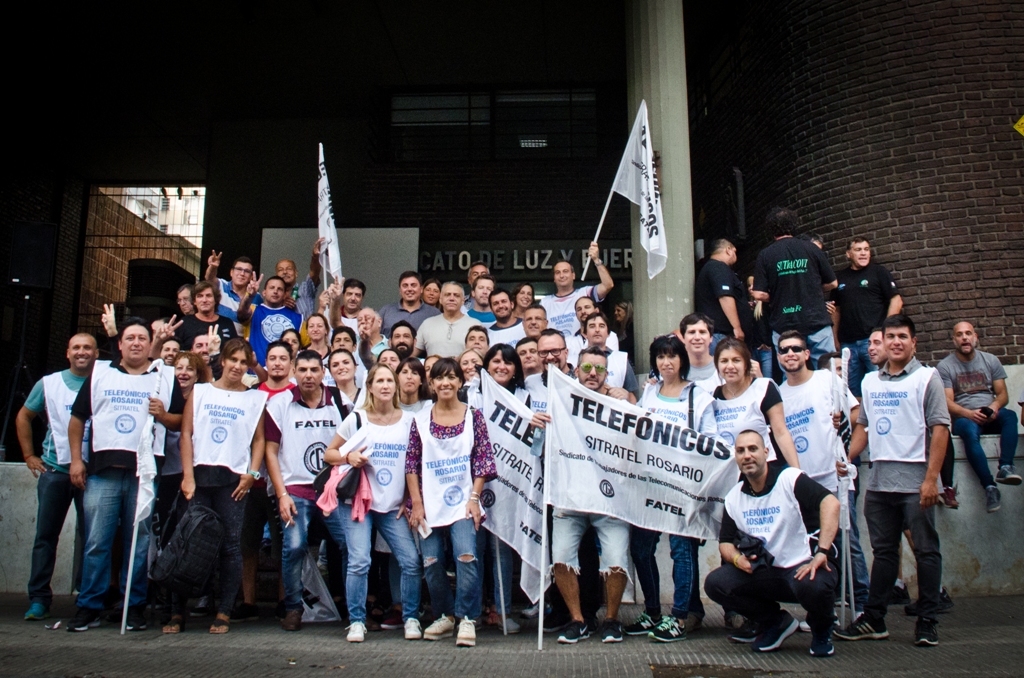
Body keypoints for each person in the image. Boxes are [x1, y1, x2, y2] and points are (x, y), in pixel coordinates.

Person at [835, 314, 949, 648]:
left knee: (926, 551)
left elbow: (940, 429)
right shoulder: (870, 383)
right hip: (881, 483)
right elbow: (864, 427)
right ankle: (875, 619)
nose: (896, 342)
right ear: (882, 342)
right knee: (884, 554)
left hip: (916, 481)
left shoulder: (929, 378)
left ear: (913, 342)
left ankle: (927, 620)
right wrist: (849, 457)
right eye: (890, 336)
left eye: (902, 336)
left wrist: (931, 481)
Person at [66, 318, 184, 632]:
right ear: (120, 343)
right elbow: (78, 419)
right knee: (96, 542)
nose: (135, 343)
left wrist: (163, 414)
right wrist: (77, 460)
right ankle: (89, 605)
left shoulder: (164, 378)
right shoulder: (100, 373)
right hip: (103, 471)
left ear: (150, 345)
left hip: (143, 473)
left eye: (142, 338)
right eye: (129, 338)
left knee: (139, 542)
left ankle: (133, 606)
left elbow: (179, 423)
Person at [704, 430, 841, 657]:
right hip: (767, 572)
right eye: (740, 451)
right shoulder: (734, 497)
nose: (747, 455)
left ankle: (822, 628)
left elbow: (831, 503)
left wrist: (822, 551)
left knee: (813, 585)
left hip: (803, 566)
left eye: (753, 449)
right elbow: (725, 544)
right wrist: (739, 560)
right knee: (716, 583)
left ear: (766, 453)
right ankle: (776, 623)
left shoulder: (789, 478)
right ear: (735, 457)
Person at [172, 339, 267, 634]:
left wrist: (252, 473)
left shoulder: (254, 399)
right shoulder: (200, 392)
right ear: (222, 361)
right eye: (233, 360)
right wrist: (188, 475)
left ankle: (224, 610)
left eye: (244, 362)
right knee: (188, 543)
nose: (238, 366)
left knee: (230, 546)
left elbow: (259, 440)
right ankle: (177, 612)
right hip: (199, 477)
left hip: (233, 480)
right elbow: (186, 434)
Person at [323, 364, 424, 642]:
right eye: (379, 380)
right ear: (369, 386)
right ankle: (356, 620)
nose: (385, 385)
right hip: (358, 502)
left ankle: (411, 617)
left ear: (396, 385)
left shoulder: (408, 421)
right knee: (359, 561)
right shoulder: (357, 419)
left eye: (389, 380)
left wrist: (409, 498)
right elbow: (329, 454)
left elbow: (413, 464)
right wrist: (348, 458)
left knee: (411, 561)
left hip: (392, 505)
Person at [626, 335, 717, 642]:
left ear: (682, 361)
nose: (666, 362)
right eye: (660, 357)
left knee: (682, 551)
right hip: (650, 488)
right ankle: (652, 611)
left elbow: (711, 442)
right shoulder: (649, 394)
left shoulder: (699, 396)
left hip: (683, 487)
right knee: (641, 548)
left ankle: (679, 617)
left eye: (672, 356)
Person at [406, 358, 497, 647]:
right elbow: (411, 465)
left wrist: (474, 499)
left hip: (463, 503)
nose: (445, 383)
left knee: (466, 556)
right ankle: (445, 615)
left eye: (451, 377)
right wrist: (417, 504)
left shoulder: (474, 416)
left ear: (460, 382)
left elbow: (483, 461)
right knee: (431, 562)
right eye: (439, 378)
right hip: (429, 504)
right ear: (430, 384)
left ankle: (466, 619)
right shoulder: (420, 419)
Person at [777, 332, 869, 612]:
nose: (790, 354)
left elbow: (858, 416)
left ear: (807, 354)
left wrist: (846, 454)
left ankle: (862, 605)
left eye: (796, 348)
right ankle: (824, 609)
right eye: (784, 350)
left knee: (846, 541)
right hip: (803, 485)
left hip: (834, 478)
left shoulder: (827, 380)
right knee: (814, 549)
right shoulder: (778, 394)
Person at [263, 350, 347, 633]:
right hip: (296, 488)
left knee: (350, 544)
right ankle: (293, 607)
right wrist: (281, 493)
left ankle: (352, 607)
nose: (308, 375)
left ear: (323, 372)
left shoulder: (339, 400)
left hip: (333, 489)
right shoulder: (279, 404)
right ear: (293, 373)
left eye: (314, 369)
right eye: (303, 370)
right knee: (295, 545)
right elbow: (270, 452)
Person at [553, 347, 632, 644]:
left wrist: (631, 401)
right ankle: (578, 620)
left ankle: (612, 620)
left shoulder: (619, 404)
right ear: (576, 369)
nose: (592, 373)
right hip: (569, 496)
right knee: (561, 558)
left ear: (607, 374)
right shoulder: (561, 400)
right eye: (587, 367)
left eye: (599, 369)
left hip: (609, 499)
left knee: (615, 559)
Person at [18, 333, 99, 621]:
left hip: (94, 473)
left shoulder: (103, 380)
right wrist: (29, 455)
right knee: (45, 537)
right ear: (67, 353)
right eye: (76, 347)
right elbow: (24, 416)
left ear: (96, 352)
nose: (82, 352)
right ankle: (39, 598)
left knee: (92, 539)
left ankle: (86, 597)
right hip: (55, 470)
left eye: (87, 347)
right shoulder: (49, 383)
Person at [466, 343, 535, 634]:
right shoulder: (472, 394)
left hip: (510, 483)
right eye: (495, 361)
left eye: (507, 362)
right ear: (486, 365)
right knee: (474, 549)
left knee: (503, 550)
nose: (501, 367)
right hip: (475, 482)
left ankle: (504, 609)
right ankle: (475, 613)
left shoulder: (524, 396)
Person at [937, 321, 1018, 512]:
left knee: (1010, 416)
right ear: (954, 340)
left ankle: (1006, 467)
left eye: (968, 333)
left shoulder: (990, 360)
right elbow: (947, 402)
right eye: (959, 334)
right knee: (969, 431)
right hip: (965, 419)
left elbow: (1003, 395)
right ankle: (989, 487)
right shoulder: (945, 366)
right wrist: (969, 414)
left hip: (990, 414)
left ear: (975, 337)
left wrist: (994, 407)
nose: (964, 337)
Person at [751, 207, 838, 369]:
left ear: (771, 229)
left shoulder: (766, 254)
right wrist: (812, 287)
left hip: (785, 325)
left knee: (791, 373)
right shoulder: (811, 248)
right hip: (816, 321)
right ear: (794, 225)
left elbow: (759, 293)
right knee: (829, 372)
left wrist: (777, 295)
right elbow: (833, 283)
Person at [829, 238, 903, 398]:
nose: (863, 253)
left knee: (881, 387)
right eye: (858, 250)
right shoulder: (839, 278)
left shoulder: (879, 272)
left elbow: (896, 300)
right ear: (848, 254)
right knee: (851, 392)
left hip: (872, 342)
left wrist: (884, 332)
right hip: (847, 344)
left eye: (866, 249)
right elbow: (836, 310)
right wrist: (835, 337)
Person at [712, 338, 800, 469]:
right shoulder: (716, 396)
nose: (730, 366)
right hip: (733, 472)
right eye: (724, 361)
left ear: (746, 364)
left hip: (768, 468)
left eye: (736, 360)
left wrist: (797, 473)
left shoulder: (764, 388)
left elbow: (781, 432)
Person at [540, 243, 614, 337]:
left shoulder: (585, 293)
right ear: (554, 278)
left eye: (565, 271)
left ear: (573, 275)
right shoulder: (545, 302)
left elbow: (608, 285)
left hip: (582, 348)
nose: (562, 275)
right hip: (556, 350)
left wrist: (596, 259)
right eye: (558, 273)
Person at [695, 239, 754, 353]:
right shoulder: (718, 267)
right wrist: (737, 328)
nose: (735, 256)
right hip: (722, 336)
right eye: (734, 251)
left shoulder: (712, 268)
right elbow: (725, 296)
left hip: (721, 336)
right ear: (728, 250)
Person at [241, 276, 303, 366]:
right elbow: (241, 313)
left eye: (280, 289)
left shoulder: (298, 318)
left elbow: (313, 345)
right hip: (253, 374)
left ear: (285, 294)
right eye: (272, 288)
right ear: (264, 292)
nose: (275, 291)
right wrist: (249, 296)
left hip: (285, 375)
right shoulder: (253, 311)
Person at [579, 311, 637, 400]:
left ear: (608, 333)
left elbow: (633, 398)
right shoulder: (576, 359)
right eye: (592, 326)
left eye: (601, 326)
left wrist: (627, 396)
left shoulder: (621, 359)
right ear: (585, 333)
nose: (597, 330)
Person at [204, 252, 262, 335]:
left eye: (246, 271)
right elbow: (209, 279)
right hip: (218, 340)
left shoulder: (257, 297)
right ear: (231, 272)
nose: (242, 274)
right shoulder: (221, 285)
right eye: (239, 269)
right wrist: (213, 267)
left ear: (251, 277)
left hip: (242, 344)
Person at [415, 282, 477, 358]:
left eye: (456, 295)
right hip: (434, 369)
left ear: (463, 301)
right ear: (440, 299)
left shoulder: (475, 325)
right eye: (447, 295)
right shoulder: (427, 324)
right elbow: (412, 355)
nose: (451, 298)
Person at [176, 281, 238, 351]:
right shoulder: (185, 323)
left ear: (215, 300)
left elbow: (234, 351)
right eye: (200, 296)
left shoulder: (227, 323)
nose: (204, 300)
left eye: (208, 296)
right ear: (194, 301)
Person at [276, 237, 326, 322]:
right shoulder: (273, 294)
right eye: (280, 270)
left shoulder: (305, 288)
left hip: (304, 333)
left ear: (296, 273)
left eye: (289, 269)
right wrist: (280, 305)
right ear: (276, 275)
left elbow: (314, 271)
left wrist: (315, 256)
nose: (285, 272)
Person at [379, 271, 441, 335]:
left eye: (413, 285)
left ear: (421, 289)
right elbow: (375, 339)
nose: (409, 289)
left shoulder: (434, 314)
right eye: (405, 286)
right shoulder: (386, 311)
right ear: (400, 290)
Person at [566, 296, 619, 365]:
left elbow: (611, 361)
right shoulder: (568, 340)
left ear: (596, 310)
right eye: (579, 309)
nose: (583, 311)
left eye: (587, 307)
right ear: (576, 314)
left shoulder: (611, 336)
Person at [679, 314, 723, 395]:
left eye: (702, 332)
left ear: (711, 338)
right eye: (692, 332)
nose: (697, 337)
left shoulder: (723, 367)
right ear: (683, 338)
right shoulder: (674, 369)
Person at [747, 276, 775, 382]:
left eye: (753, 284)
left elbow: (768, 325)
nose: (751, 288)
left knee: (767, 380)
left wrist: (767, 343)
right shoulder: (749, 306)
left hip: (766, 349)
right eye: (749, 285)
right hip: (754, 348)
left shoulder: (766, 305)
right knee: (753, 381)